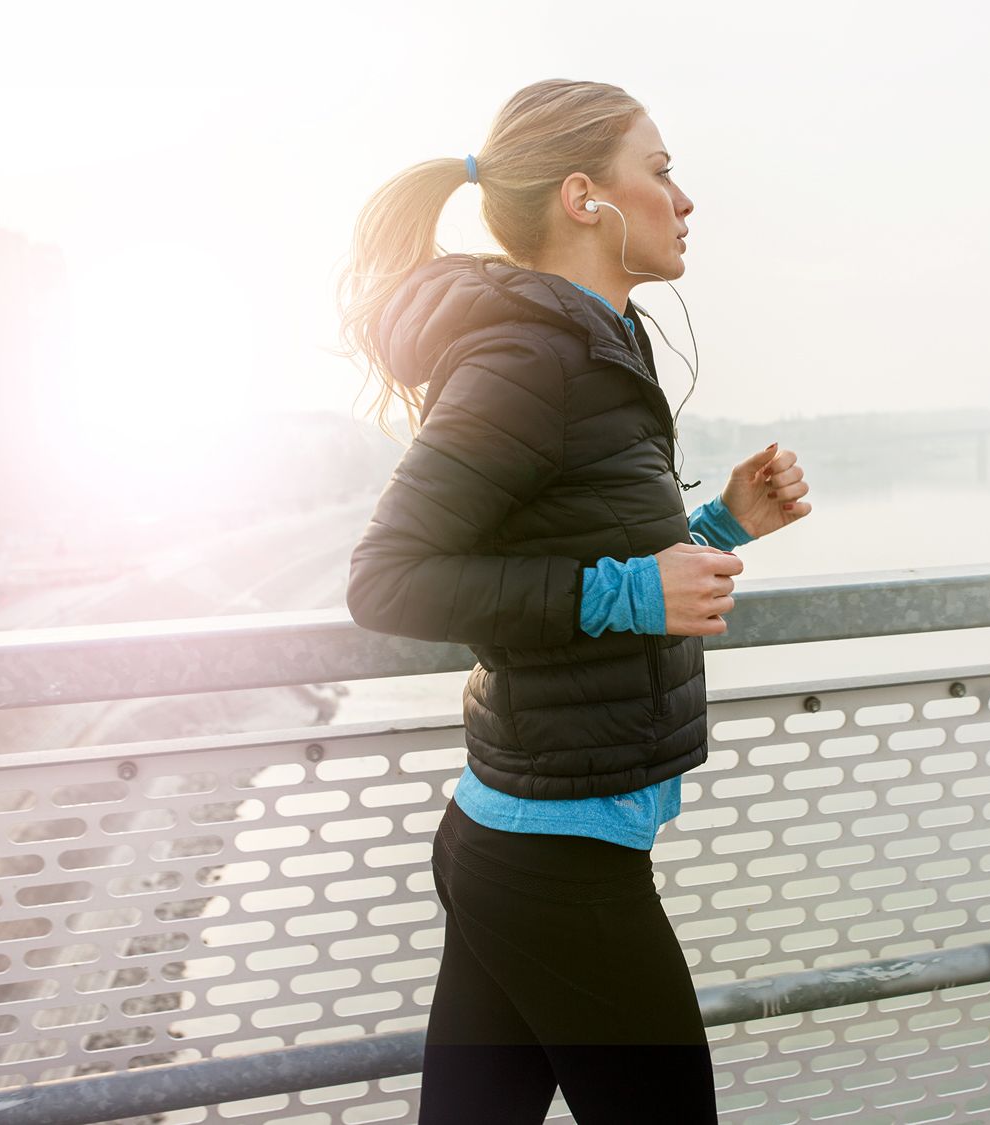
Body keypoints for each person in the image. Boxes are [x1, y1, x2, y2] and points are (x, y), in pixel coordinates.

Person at [335, 79, 813, 1124]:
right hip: (554, 857)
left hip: (529, 840)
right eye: (663, 171)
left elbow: (578, 556)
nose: (685, 201)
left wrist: (719, 529)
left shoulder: (598, 344)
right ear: (584, 196)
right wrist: (630, 590)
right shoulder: (531, 357)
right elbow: (386, 579)